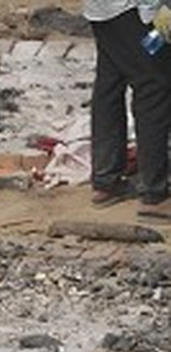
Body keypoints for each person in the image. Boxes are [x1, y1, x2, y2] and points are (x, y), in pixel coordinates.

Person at [85, 0, 171, 214]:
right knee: (153, 87)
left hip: (103, 10)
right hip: (137, 11)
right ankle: (154, 194)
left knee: (110, 81)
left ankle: (106, 180)